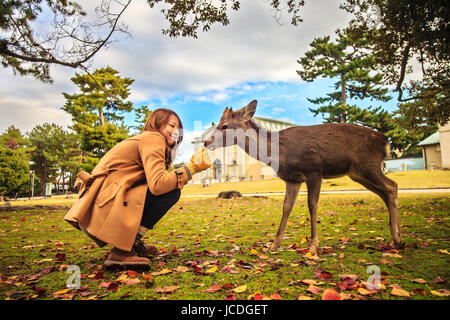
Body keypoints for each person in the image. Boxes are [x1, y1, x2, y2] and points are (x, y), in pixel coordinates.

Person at [64, 109, 212, 267]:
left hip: (101, 204)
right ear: (156, 122)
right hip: (106, 205)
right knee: (172, 192)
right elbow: (158, 185)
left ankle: (130, 244)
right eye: (172, 125)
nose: (176, 131)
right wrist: (191, 168)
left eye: (178, 129)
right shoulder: (154, 138)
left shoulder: (147, 140)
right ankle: (122, 251)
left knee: (171, 188)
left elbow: (156, 179)